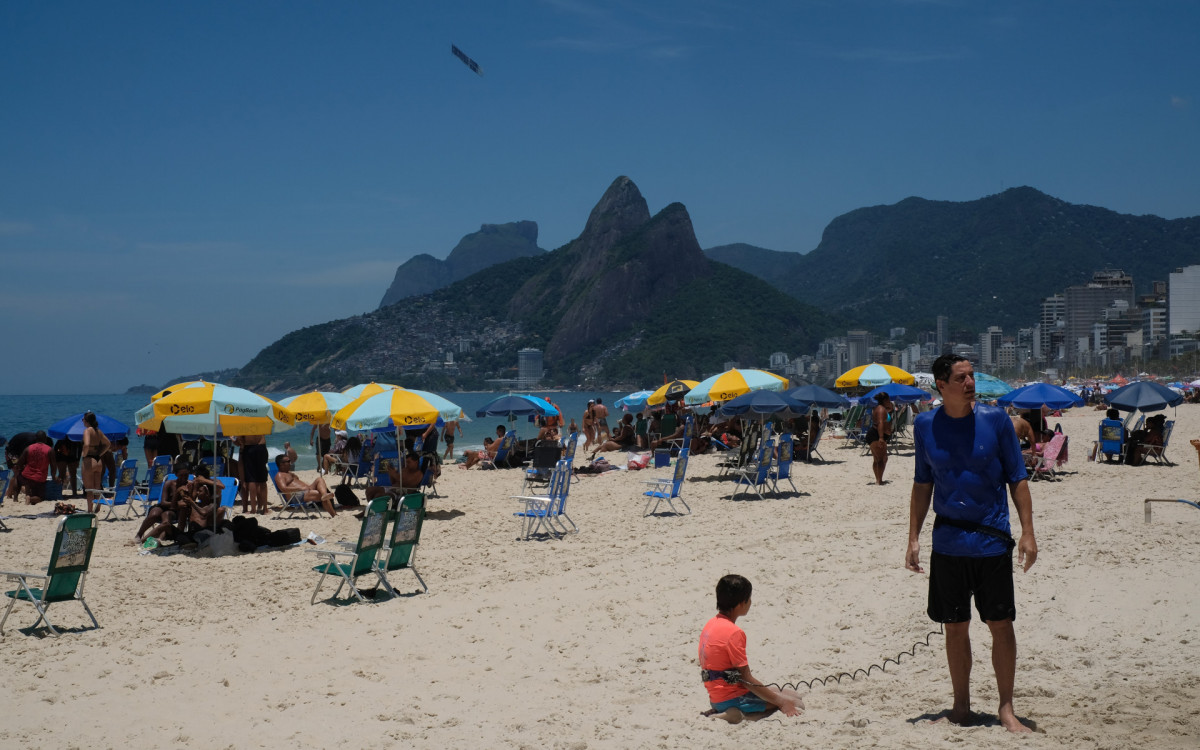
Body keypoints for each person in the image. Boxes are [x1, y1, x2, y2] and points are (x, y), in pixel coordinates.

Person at [906, 354, 1037, 734]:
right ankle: (961, 706)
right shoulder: (925, 425)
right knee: (955, 626)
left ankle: (1006, 708)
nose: (970, 383)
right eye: (961, 378)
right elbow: (922, 484)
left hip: (991, 541)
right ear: (941, 385)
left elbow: (1018, 478)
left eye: (971, 376)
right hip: (948, 543)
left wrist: (1028, 532)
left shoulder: (996, 420)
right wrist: (913, 537)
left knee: (1000, 623)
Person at [699, 574, 804, 723]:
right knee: (793, 702)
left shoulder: (710, 625)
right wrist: (781, 703)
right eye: (749, 599)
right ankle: (735, 714)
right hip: (732, 699)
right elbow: (746, 679)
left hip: (716, 698)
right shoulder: (734, 633)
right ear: (741, 604)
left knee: (789, 693)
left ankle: (727, 709)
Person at [273, 454, 337, 517]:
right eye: (288, 461)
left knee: (319, 479)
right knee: (319, 494)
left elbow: (297, 481)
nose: (290, 463)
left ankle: (324, 494)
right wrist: (299, 489)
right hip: (296, 496)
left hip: (304, 492)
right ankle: (333, 514)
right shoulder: (280, 475)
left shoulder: (288, 473)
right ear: (281, 464)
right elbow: (284, 489)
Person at [13, 430, 58, 505]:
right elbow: (53, 466)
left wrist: (20, 468)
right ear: (45, 439)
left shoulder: (28, 448)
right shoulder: (50, 450)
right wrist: (53, 476)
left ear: (36, 438)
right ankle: (30, 499)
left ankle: (15, 498)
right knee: (41, 497)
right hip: (39, 478)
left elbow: (19, 463)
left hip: (26, 476)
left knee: (17, 477)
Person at [80, 412, 111, 513]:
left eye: (83, 419)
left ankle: (90, 510)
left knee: (89, 489)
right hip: (98, 460)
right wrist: (100, 453)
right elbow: (108, 444)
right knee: (97, 487)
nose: (82, 421)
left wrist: (84, 454)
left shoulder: (87, 431)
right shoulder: (98, 431)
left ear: (87, 421)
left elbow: (86, 444)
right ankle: (97, 508)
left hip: (89, 460)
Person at [236, 434, 270, 515]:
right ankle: (265, 509)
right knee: (262, 480)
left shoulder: (243, 427)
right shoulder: (261, 425)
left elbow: (239, 442)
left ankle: (253, 509)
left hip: (249, 448)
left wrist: (233, 439)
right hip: (261, 447)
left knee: (251, 479)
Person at [867, 392, 893, 485]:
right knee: (881, 459)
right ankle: (879, 480)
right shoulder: (881, 409)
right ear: (885, 400)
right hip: (877, 435)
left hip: (876, 434)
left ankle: (878, 479)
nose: (890, 401)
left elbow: (890, 409)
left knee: (879, 459)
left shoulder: (881, 408)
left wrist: (889, 406)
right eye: (888, 399)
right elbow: (880, 423)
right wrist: (881, 437)